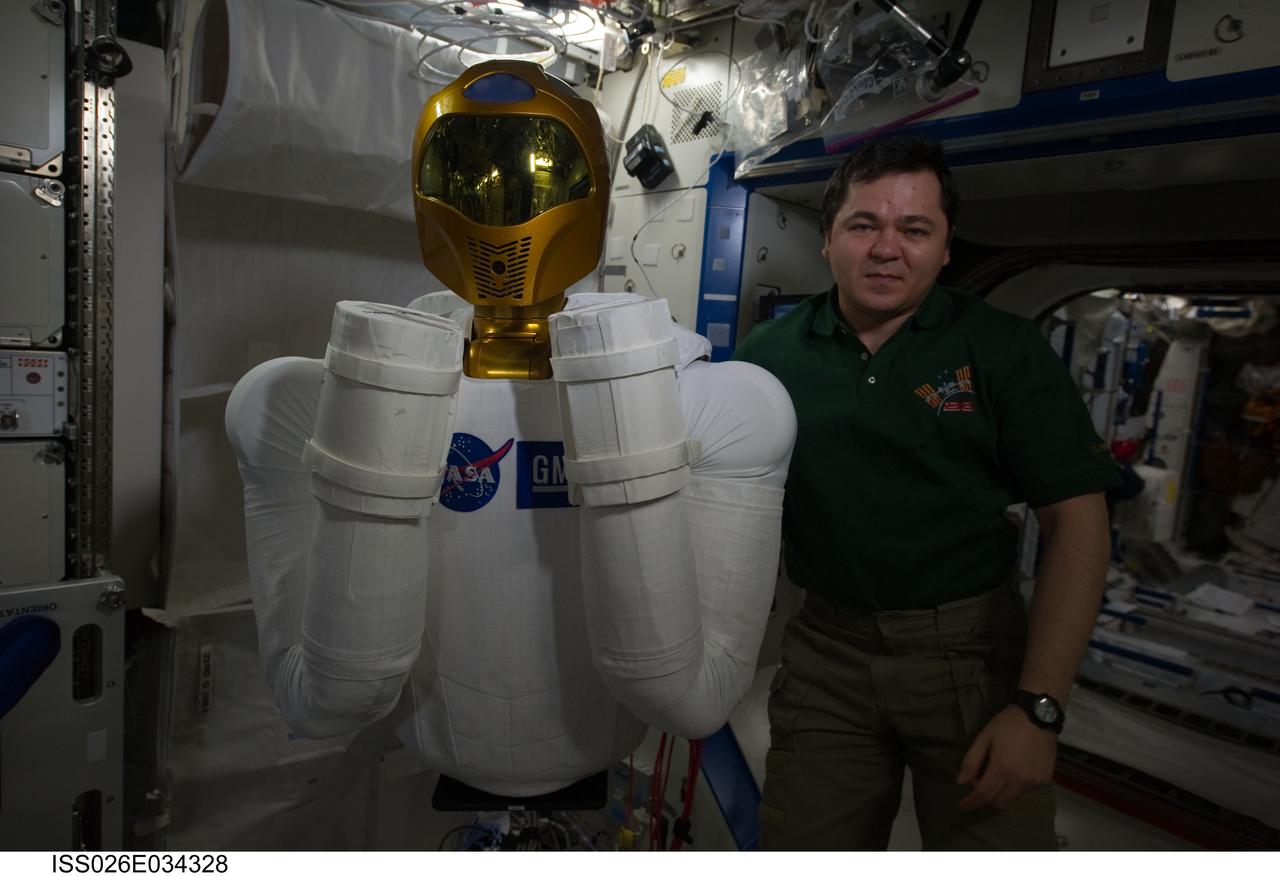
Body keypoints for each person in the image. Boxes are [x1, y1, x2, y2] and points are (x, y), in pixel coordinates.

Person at [224, 60, 795, 799]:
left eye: (533, 178)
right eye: (471, 177)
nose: (500, 209)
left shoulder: (713, 401)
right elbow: (328, 693)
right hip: (450, 728)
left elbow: (690, 695)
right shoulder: (310, 400)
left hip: (570, 730)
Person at [733, 137, 1121, 850]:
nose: (887, 249)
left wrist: (1038, 710)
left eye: (914, 229)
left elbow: (1079, 527)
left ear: (945, 249)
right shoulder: (767, 358)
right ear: (828, 240)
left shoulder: (1002, 350)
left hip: (969, 657)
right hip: (827, 652)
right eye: (863, 225)